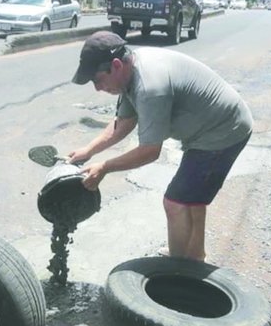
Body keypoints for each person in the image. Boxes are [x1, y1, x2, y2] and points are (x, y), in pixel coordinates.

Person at [69, 31, 253, 261]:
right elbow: (123, 123)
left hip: (223, 132)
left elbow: (150, 151)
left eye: (97, 80)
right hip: (212, 129)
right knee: (192, 199)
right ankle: (194, 256)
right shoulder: (130, 73)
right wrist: (89, 150)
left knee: (175, 202)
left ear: (115, 65)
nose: (97, 88)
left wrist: (104, 167)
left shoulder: (149, 87)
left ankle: (177, 273)